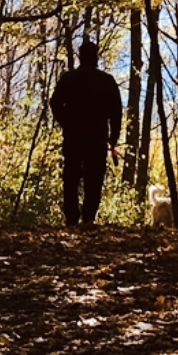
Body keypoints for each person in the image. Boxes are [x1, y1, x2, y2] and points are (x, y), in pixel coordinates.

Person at [51, 32, 123, 229]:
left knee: (71, 177)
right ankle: (89, 218)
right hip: (97, 137)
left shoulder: (69, 79)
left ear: (80, 56)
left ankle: (72, 219)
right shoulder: (106, 81)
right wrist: (113, 138)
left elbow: (55, 103)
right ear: (96, 57)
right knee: (94, 178)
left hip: (73, 136)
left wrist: (65, 122)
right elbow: (116, 111)